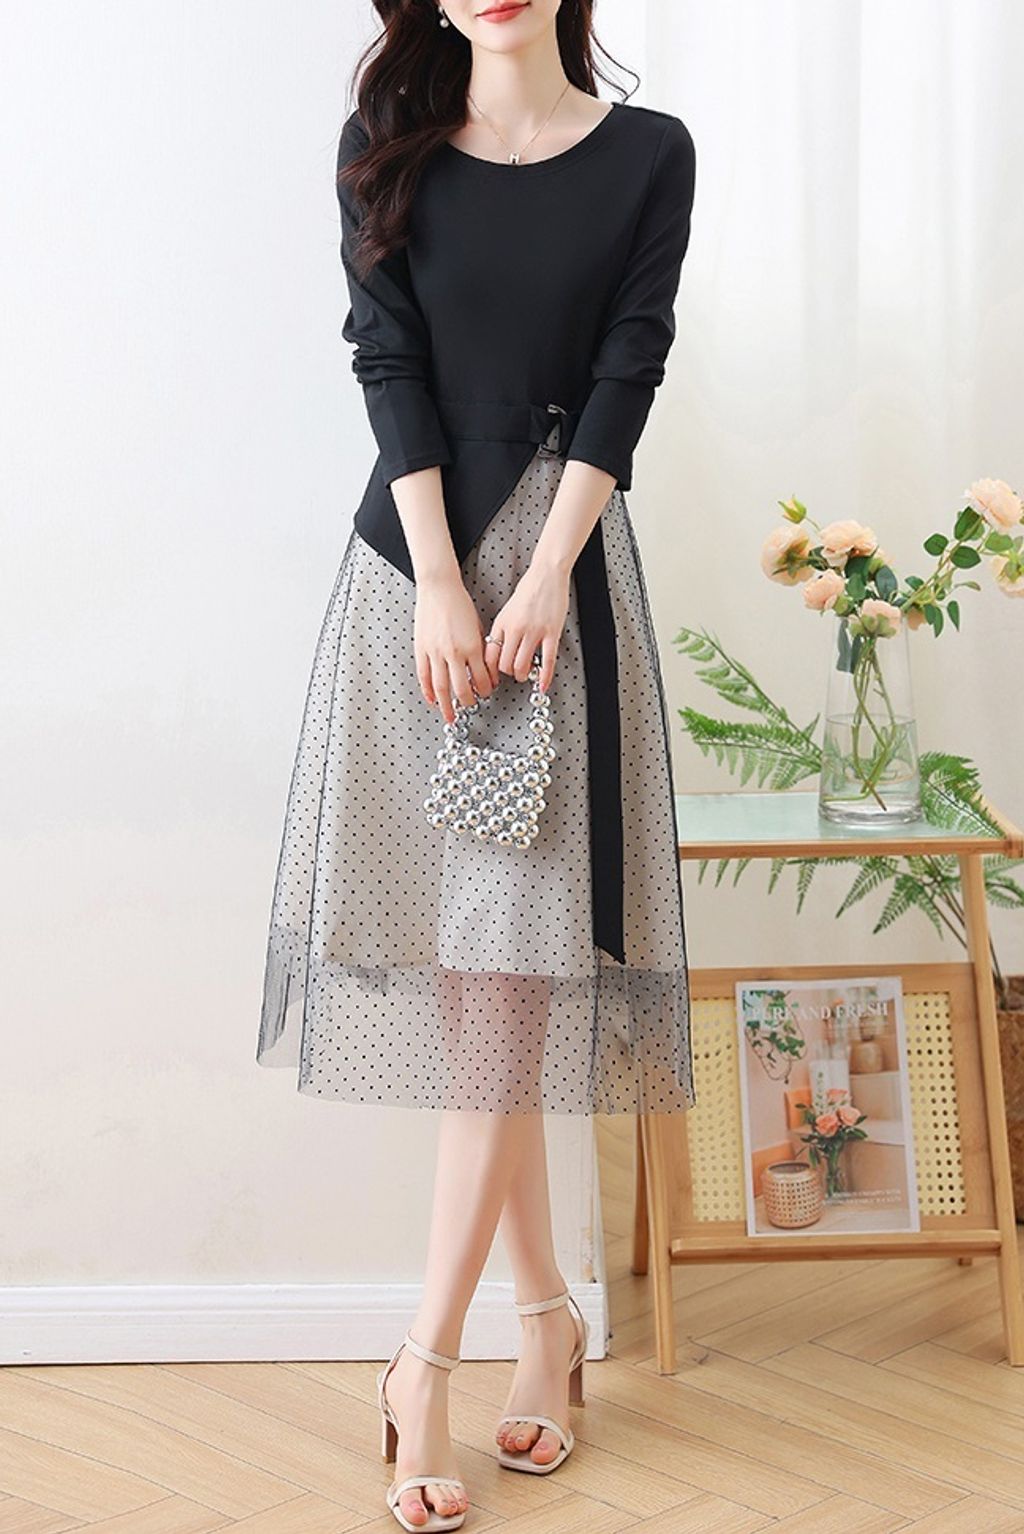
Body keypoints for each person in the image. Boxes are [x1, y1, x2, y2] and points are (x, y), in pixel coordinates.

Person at [256, 1, 698, 1527]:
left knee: (506, 983)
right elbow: (386, 360)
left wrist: (540, 574)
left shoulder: (648, 153)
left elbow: (630, 371)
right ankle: (550, 1320)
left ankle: (423, 1362)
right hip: (416, 590)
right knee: (479, 994)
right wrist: (444, 580)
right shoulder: (388, 147)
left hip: (556, 605)